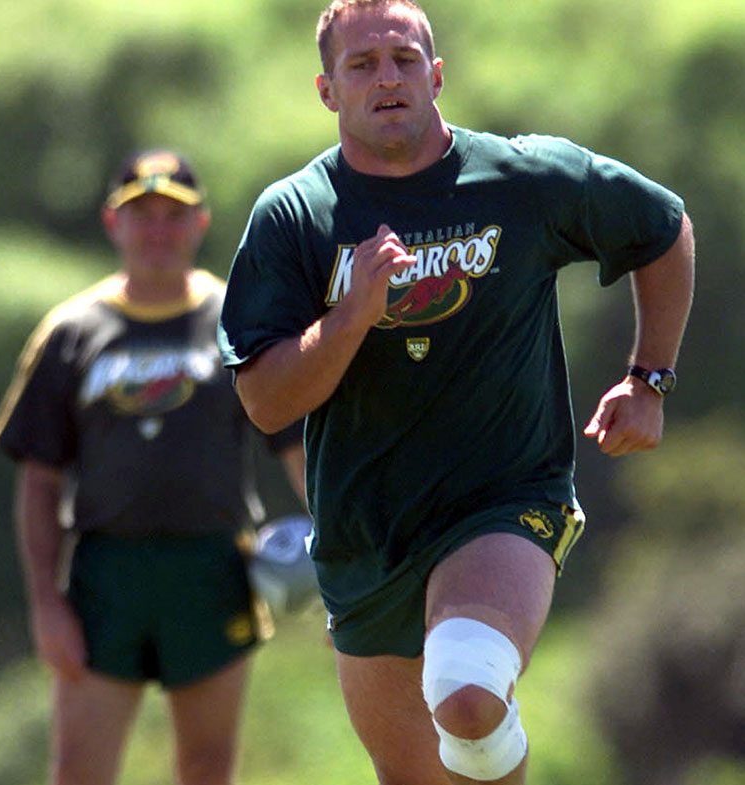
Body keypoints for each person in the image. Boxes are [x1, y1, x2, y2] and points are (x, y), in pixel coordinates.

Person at [217, 1, 694, 783]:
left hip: (504, 501)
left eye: (404, 59)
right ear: (327, 91)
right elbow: (268, 403)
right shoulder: (294, 217)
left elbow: (662, 227)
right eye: (362, 65)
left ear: (436, 75)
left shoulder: (522, 178)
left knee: (466, 695)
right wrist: (350, 317)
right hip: (364, 537)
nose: (387, 79)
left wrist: (650, 379)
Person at [0, 150, 307, 785]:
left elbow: (296, 447)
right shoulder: (71, 331)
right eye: (143, 216)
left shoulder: (237, 319)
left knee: (207, 769)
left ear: (201, 224)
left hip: (213, 567)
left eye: (173, 216)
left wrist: (346, 566)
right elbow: (38, 479)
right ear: (114, 223)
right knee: (79, 771)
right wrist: (46, 606)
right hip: (108, 575)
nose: (158, 231)